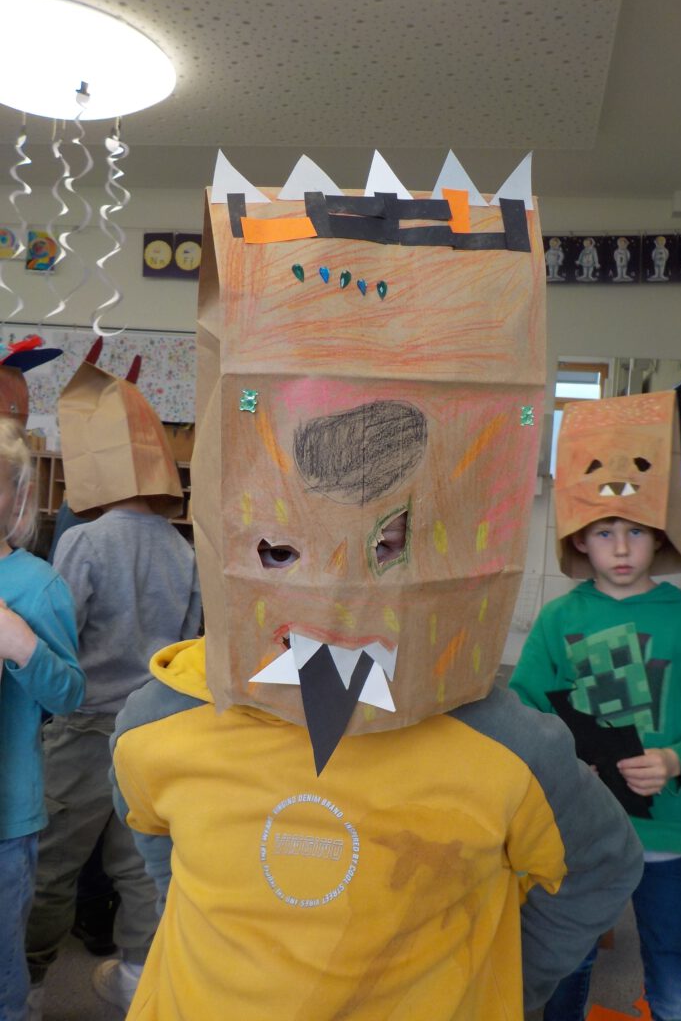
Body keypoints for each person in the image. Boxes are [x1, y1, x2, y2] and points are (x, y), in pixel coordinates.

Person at [108, 155, 644, 1020]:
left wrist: (505, 986)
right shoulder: (161, 719)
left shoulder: (507, 746)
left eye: (390, 544)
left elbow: (602, 869)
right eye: (281, 548)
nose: (337, 592)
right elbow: (156, 847)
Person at [510, 391, 681, 1021]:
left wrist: (675, 759)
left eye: (635, 531)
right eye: (604, 532)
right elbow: (523, 711)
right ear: (581, 540)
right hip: (578, 833)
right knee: (564, 968)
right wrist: (564, 764)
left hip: (664, 834)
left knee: (675, 977)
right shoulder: (558, 621)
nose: (620, 548)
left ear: (658, 534)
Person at [25, 360, 202, 1019]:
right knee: (141, 861)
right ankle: (134, 974)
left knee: (53, 860)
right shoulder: (182, 551)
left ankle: (32, 979)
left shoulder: (86, 541)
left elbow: (60, 630)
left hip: (84, 724)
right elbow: (186, 645)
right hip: (152, 729)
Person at [0, 418, 85, 1021]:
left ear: (17, 497)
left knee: (2, 962)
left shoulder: (37, 586)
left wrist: (23, 646)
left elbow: (70, 695)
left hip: (6, 819)